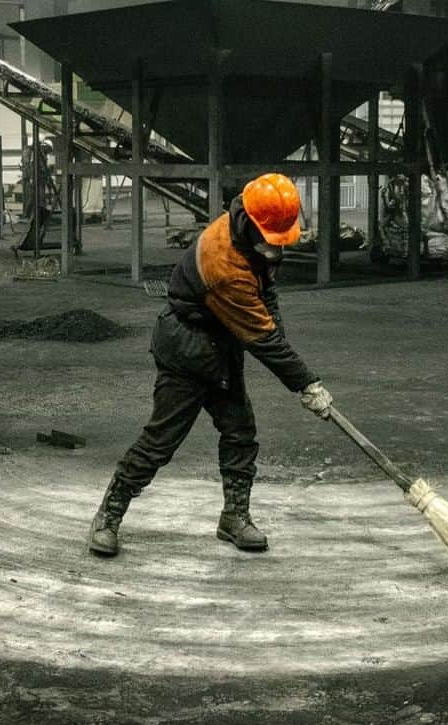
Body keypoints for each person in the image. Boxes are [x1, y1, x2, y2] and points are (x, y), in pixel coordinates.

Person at [88, 172, 334, 556]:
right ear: (250, 223)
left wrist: (284, 347)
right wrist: (305, 383)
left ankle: (234, 518)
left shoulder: (253, 230)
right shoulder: (224, 263)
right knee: (160, 442)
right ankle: (108, 516)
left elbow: (266, 299)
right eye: (270, 242)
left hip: (222, 344)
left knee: (240, 432)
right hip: (187, 349)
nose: (275, 250)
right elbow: (262, 338)